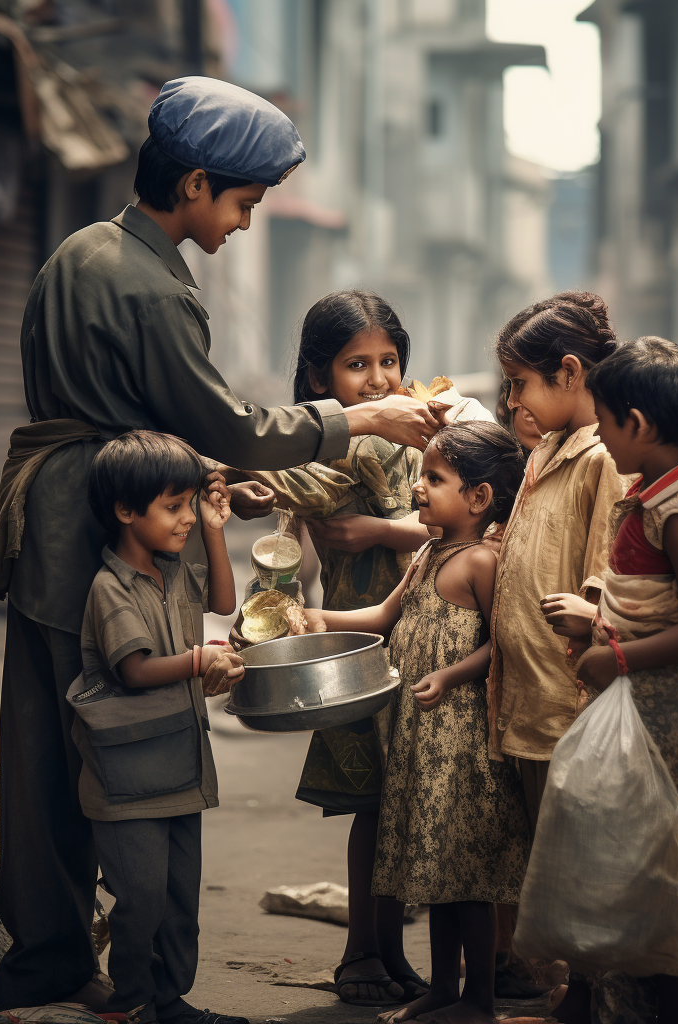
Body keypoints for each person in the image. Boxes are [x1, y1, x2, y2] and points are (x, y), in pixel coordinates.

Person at [0, 77, 438, 1010]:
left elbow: (137, 419)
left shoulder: (76, 252)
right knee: (135, 750)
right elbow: (227, 424)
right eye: (242, 202)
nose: (245, 223)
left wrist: (203, 473)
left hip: (52, 523)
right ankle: (153, 983)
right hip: (110, 539)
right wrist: (368, 418)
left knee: (40, 759)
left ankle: (51, 956)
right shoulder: (153, 289)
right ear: (192, 185)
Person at [230, 291, 430, 1006]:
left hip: (415, 639)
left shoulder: (414, 437)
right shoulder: (354, 443)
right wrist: (252, 482)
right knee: (379, 806)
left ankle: (383, 953)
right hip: (365, 648)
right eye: (356, 365)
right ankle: (363, 955)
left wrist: (384, 531)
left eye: (388, 361)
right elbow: (297, 480)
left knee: (391, 807)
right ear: (319, 380)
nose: (378, 380)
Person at [303, 422, 530, 1024]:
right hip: (419, 741)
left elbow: (503, 644)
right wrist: (312, 618)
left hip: (462, 746)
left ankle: (477, 998)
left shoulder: (482, 562)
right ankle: (441, 991)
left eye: (435, 479)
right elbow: (380, 615)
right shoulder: (429, 554)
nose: (420, 490)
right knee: (434, 869)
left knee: (468, 878)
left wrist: (452, 676)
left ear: (479, 499)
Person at [551, 337, 678, 1024]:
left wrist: (615, 657)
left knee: (658, 876)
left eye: (603, 420)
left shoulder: (676, 512)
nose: (597, 432)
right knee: (632, 866)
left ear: (640, 425)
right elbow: (645, 597)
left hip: (662, 720)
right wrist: (599, 618)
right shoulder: (659, 491)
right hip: (640, 712)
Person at [67, 431, 243, 1022]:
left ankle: (170, 999)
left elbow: (221, 599)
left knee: (178, 902)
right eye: (174, 507)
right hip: (125, 786)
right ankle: (132, 999)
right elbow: (134, 669)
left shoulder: (174, 571)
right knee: (139, 900)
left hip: (181, 771)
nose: (187, 518)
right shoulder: (109, 587)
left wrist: (217, 530)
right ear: (125, 511)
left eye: (191, 504)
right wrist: (200, 661)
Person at [488, 292, 628, 824]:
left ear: (568, 372)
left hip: (568, 713)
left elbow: (602, 588)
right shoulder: (546, 449)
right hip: (526, 709)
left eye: (519, 383)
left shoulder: (603, 460)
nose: (510, 402)